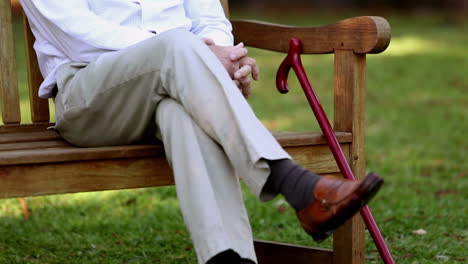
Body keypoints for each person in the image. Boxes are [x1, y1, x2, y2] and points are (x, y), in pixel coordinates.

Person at [20, 1, 383, 263]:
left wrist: (218, 53)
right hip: (91, 99)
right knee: (176, 45)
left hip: (178, 85)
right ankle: (294, 183)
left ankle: (228, 258)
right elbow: (80, 36)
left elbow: (209, 19)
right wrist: (203, 56)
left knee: (180, 111)